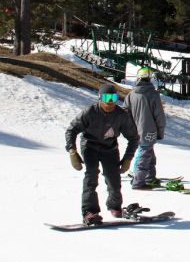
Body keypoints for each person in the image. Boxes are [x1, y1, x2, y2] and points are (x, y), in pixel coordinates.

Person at [65, 84, 139, 225]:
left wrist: (128, 158)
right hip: (90, 146)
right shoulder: (90, 112)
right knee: (91, 175)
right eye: (106, 98)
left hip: (109, 148)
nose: (110, 102)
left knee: (113, 178)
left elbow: (134, 137)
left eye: (113, 98)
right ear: (100, 98)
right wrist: (72, 151)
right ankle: (89, 211)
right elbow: (71, 130)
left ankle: (115, 206)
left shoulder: (121, 115)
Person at [124, 68, 167, 190]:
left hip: (135, 130)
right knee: (145, 154)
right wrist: (160, 131)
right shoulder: (153, 94)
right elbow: (159, 116)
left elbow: (125, 112)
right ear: (150, 79)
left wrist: (129, 129)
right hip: (148, 131)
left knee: (149, 153)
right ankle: (138, 182)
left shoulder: (131, 94)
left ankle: (149, 177)